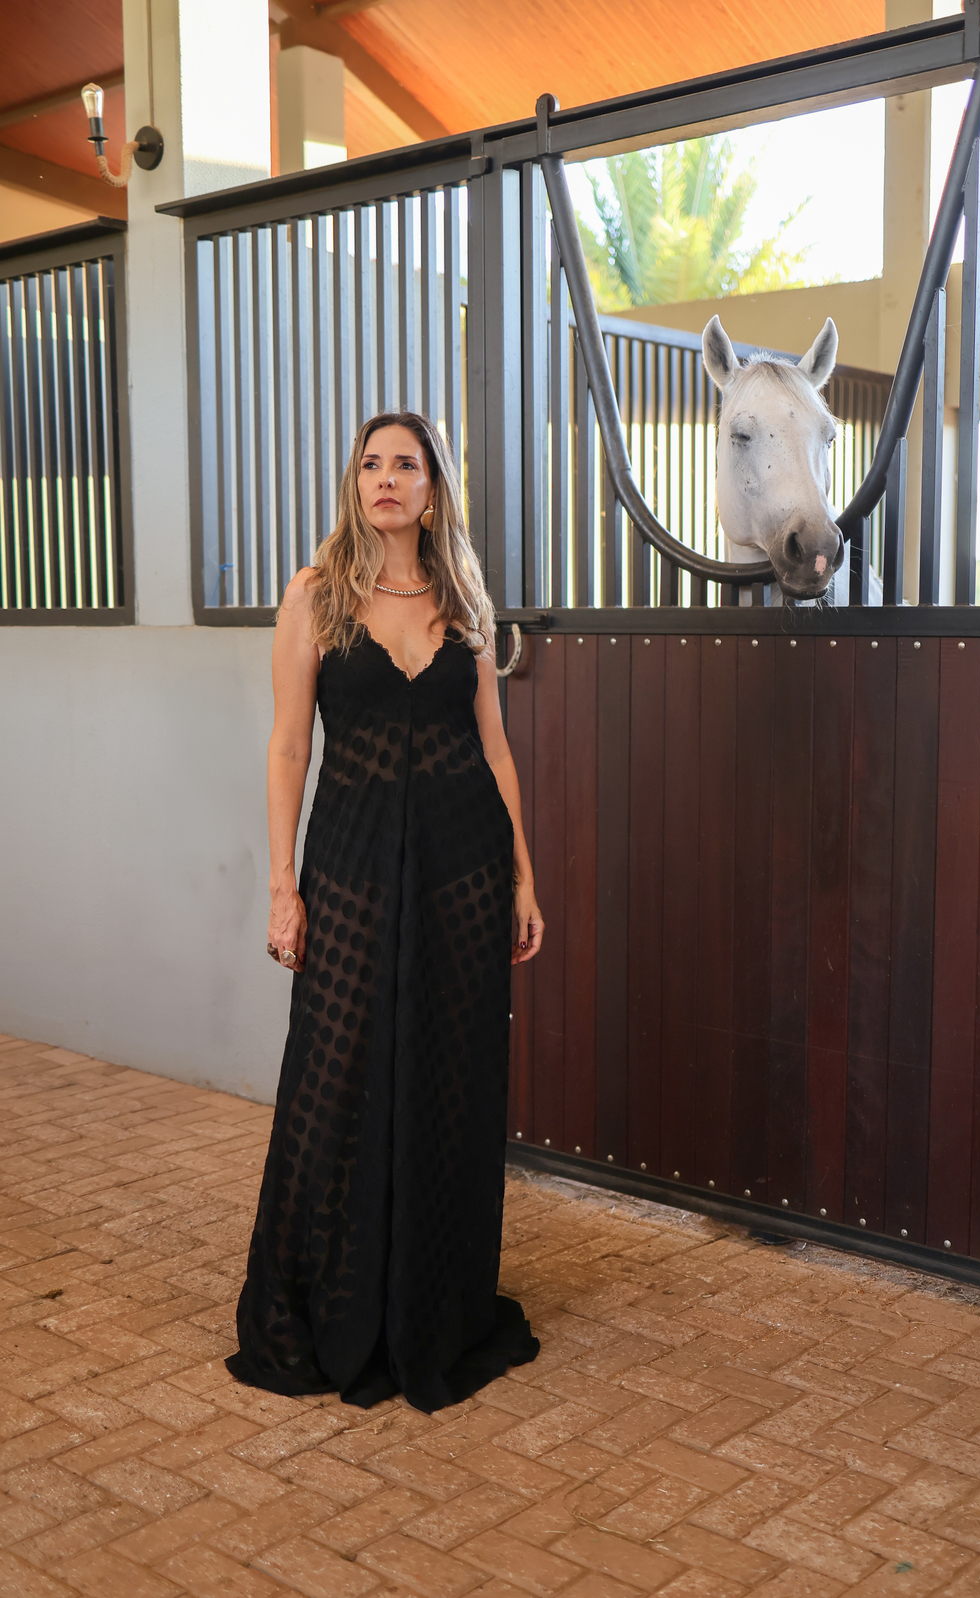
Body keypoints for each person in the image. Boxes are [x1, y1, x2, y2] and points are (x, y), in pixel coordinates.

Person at [226, 411, 544, 1412]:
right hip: (353, 868)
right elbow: (289, 746)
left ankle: (432, 1302)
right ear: (355, 483)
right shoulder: (315, 595)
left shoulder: (463, 601)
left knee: (448, 1077)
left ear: (434, 488)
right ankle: (328, 1300)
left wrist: (524, 877)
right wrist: (282, 885)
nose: (386, 479)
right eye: (372, 464)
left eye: (406, 464)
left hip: (463, 871)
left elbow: (494, 747)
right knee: (334, 1078)